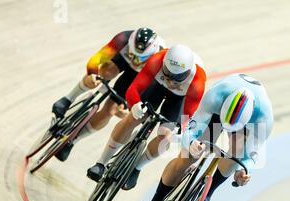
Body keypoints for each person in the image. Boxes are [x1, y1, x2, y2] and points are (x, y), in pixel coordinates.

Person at [134, 73, 274, 201]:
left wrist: (243, 171)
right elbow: (189, 132)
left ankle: (208, 193)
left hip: (245, 124)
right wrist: (192, 143)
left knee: (237, 152)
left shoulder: (263, 118)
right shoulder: (216, 96)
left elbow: (250, 157)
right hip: (216, 112)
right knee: (187, 157)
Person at [86, 44, 207, 191]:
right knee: (133, 118)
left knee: (166, 136)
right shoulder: (157, 59)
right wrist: (135, 104)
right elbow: (134, 89)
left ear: (187, 73)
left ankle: (137, 168)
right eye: (168, 73)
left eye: (178, 78)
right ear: (164, 64)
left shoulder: (198, 80)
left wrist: (181, 129)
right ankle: (101, 163)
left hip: (178, 100)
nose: (171, 81)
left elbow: (189, 114)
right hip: (156, 87)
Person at [51, 28, 165, 162]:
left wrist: (129, 106)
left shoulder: (159, 62)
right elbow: (96, 59)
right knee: (101, 74)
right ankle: (68, 99)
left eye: (142, 58)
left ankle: (74, 140)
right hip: (120, 61)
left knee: (110, 111)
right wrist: (93, 74)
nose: (136, 60)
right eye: (133, 54)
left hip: (138, 78)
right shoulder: (122, 38)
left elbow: (145, 91)